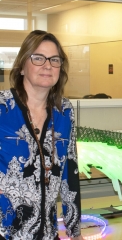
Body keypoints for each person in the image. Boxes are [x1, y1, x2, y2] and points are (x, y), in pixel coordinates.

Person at [0, 30, 83, 239]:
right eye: (38, 58)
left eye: (54, 60)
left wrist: (75, 231)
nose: (47, 65)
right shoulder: (2, 107)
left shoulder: (64, 111)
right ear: (21, 67)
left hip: (47, 233)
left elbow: (69, 173)